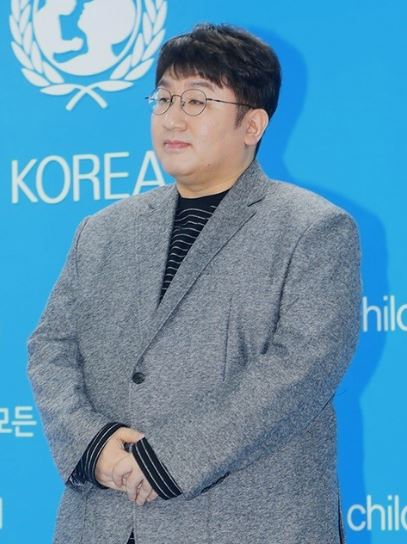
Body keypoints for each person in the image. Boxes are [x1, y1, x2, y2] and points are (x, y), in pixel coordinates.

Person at [28, 23, 361, 544]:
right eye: (163, 99)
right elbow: (50, 348)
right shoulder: (102, 231)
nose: (172, 118)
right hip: (104, 522)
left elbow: (300, 372)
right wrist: (94, 447)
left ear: (252, 124)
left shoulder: (312, 229)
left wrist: (167, 458)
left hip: (246, 523)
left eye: (197, 101)